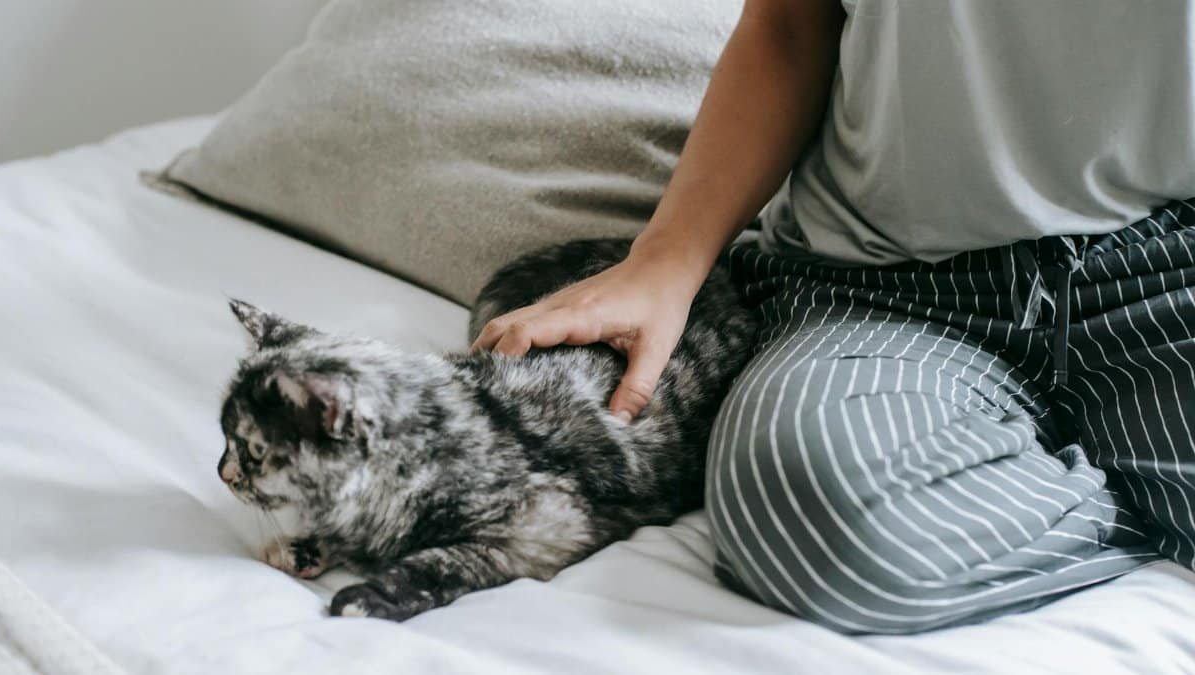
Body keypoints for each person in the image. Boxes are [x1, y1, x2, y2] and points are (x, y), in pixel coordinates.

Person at [471, 0, 1195, 633]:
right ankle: (1143, 502)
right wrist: (664, 259)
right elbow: (787, 25)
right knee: (810, 515)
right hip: (884, 290)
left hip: (1164, 274)